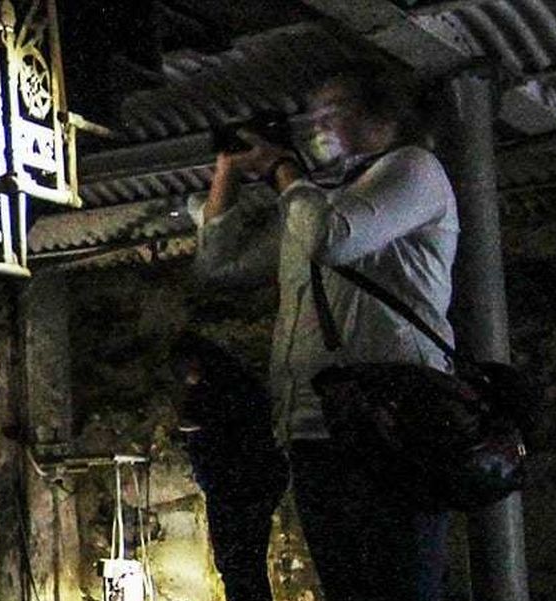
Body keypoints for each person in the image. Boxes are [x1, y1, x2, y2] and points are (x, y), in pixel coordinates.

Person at [187, 63, 459, 601]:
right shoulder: (316, 198)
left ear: (383, 116)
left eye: (334, 111)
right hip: (316, 432)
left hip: (393, 426)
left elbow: (331, 239)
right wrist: (228, 174)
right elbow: (218, 267)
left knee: (402, 587)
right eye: (315, 113)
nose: (318, 124)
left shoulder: (414, 169)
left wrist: (285, 169)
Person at [169, 332, 287, 601]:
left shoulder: (226, 387)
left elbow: (223, 424)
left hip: (239, 485)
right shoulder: (228, 384)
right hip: (235, 484)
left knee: (240, 564)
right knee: (240, 564)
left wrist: (200, 423)